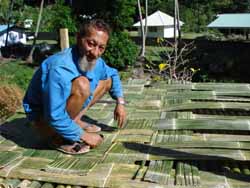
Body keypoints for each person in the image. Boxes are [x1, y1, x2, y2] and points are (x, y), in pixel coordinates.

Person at [23, 19, 126, 154]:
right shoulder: (60, 68)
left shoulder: (96, 61)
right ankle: (57, 138)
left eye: (101, 47)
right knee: (82, 84)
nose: (95, 53)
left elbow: (113, 74)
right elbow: (54, 115)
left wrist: (120, 102)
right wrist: (84, 136)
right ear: (78, 38)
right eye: (91, 44)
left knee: (106, 80)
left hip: (58, 114)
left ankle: (73, 121)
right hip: (43, 120)